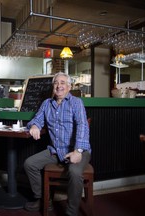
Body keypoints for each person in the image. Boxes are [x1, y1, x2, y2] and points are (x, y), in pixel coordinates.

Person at [23, 72, 91, 216]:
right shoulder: (47, 104)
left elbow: (82, 126)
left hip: (77, 150)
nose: (59, 86)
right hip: (55, 151)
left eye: (62, 83)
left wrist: (78, 150)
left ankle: (71, 213)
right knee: (30, 164)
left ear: (69, 86)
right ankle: (44, 200)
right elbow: (36, 119)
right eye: (56, 83)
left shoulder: (76, 102)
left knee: (74, 171)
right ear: (53, 86)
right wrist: (34, 125)